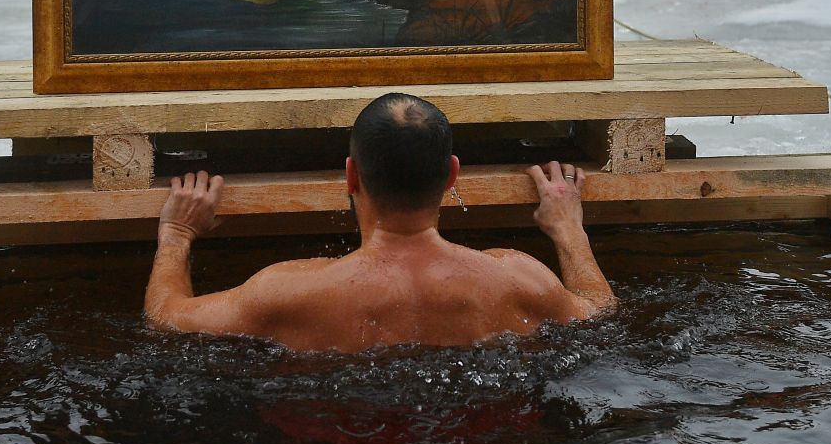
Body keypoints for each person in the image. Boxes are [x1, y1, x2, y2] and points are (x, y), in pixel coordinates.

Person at [145, 92, 615, 351]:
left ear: (351, 177)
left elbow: (166, 319)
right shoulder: (520, 278)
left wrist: (177, 234)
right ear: (452, 174)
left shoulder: (285, 292)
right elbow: (599, 310)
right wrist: (569, 230)